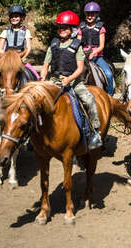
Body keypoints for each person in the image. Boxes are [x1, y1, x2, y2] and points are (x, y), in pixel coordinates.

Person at [40, 10, 102, 149]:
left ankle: (95, 132)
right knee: (37, 100)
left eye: (64, 28)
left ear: (71, 30)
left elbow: (80, 69)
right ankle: (35, 131)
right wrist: (43, 76)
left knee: (89, 99)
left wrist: (69, 79)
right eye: (60, 27)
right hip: (54, 81)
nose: (61, 30)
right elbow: (45, 65)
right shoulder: (53, 44)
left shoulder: (76, 45)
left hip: (74, 82)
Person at [77, 2, 114, 95]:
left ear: (96, 15)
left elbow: (101, 46)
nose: (90, 16)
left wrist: (93, 52)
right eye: (88, 14)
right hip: (83, 57)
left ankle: (110, 95)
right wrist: (81, 54)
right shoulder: (81, 28)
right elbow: (77, 44)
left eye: (92, 14)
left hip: (97, 57)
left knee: (109, 75)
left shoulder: (101, 29)